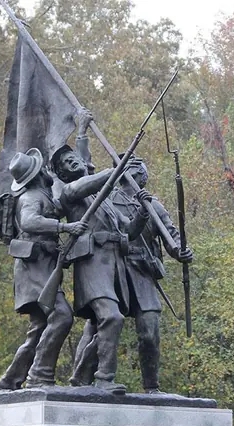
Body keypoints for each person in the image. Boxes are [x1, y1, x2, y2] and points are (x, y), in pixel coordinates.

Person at [69, 156, 193, 393]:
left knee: (149, 331)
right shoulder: (107, 198)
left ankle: (152, 387)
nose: (139, 173)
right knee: (101, 326)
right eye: (134, 169)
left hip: (143, 273)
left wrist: (181, 251)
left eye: (141, 170)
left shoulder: (153, 204)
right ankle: (82, 380)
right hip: (113, 269)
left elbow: (171, 236)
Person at [50, 123, 152, 395]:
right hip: (92, 266)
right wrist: (117, 169)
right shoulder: (70, 192)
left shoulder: (102, 198)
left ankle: (81, 376)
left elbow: (128, 231)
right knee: (112, 318)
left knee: (104, 323)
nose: (73, 161)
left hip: (113, 266)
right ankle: (104, 378)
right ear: (61, 173)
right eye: (67, 162)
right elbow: (93, 179)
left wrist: (142, 213)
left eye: (74, 157)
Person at [0, 148, 85, 390]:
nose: (46, 171)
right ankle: (40, 375)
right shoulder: (31, 197)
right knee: (62, 315)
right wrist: (64, 228)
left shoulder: (43, 195)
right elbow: (29, 221)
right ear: (36, 175)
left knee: (39, 328)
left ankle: (10, 380)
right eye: (42, 168)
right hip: (33, 269)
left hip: (43, 267)